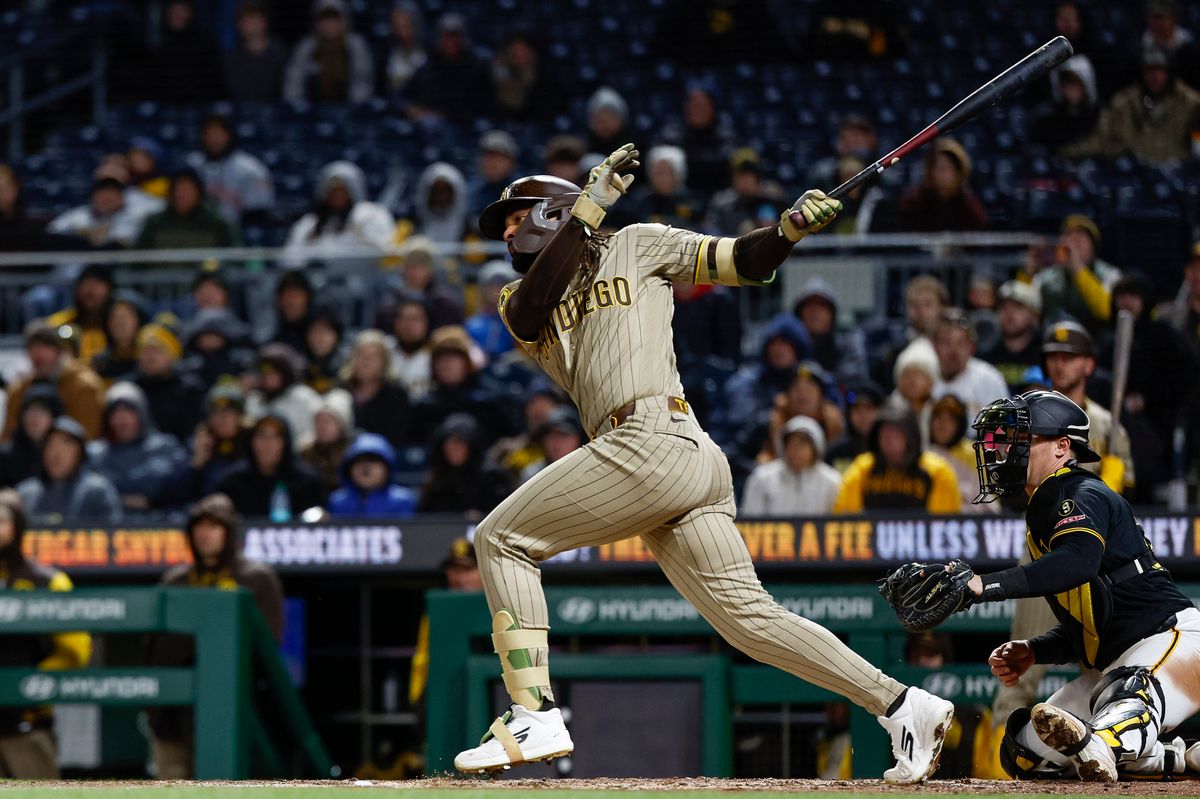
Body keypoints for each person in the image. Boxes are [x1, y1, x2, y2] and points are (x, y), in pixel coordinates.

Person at [457, 146, 954, 781]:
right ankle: (904, 704)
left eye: (513, 217)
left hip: (662, 438)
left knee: (501, 538)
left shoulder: (637, 242)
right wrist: (585, 212)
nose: (505, 233)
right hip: (651, 451)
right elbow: (533, 307)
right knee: (749, 625)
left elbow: (736, 261)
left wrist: (787, 230)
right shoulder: (517, 298)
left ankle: (534, 711)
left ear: (549, 213)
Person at [955, 391, 1200, 781]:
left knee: (1119, 714)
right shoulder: (1045, 510)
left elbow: (1077, 564)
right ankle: (1173, 757)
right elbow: (1092, 616)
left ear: (1061, 447)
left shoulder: (1079, 491)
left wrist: (986, 585)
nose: (1005, 451)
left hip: (1170, 638)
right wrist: (1036, 650)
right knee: (1026, 752)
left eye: (1021, 440)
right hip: (1115, 660)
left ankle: (1126, 742)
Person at [147, 493, 283, 778]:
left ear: (229, 531)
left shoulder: (255, 577)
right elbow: (153, 645)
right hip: (174, 711)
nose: (204, 534)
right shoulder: (176, 581)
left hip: (235, 709)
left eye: (214, 527)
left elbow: (269, 645)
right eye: (199, 527)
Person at [0, 494, 92, 778]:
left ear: (18, 526)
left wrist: (27, 686)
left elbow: (76, 651)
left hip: (29, 723)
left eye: (1, 521)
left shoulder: (48, 581)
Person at [1102, 274, 1197, 503]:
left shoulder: (1162, 335)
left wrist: (1147, 399)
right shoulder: (1108, 341)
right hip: (1119, 424)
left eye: (1133, 296)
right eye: (1121, 296)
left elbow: (1185, 377)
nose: (1126, 302)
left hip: (1161, 422)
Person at [1061, 46, 1200, 165]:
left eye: (1160, 70)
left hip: (1181, 174)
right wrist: (1067, 154)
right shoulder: (1123, 103)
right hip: (1137, 176)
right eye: (1149, 70)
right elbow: (1101, 140)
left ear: (1169, 72)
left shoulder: (1191, 102)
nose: (1155, 76)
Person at [1042, 321, 1134, 495]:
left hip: (1095, 519)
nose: (1060, 365)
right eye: (1054, 357)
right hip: (1040, 518)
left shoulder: (1109, 426)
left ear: (1089, 365)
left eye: (1068, 358)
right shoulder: (1029, 420)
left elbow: (1130, 492)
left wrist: (1112, 487)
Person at [833, 404, 961, 514]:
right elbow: (846, 519)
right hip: (871, 541)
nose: (888, 438)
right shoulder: (863, 468)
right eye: (884, 432)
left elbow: (944, 523)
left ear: (910, 435)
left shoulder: (937, 471)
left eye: (896, 432)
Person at [87, 382, 188, 518]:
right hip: (106, 527)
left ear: (142, 413)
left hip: (160, 525)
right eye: (115, 412)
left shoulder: (167, 448)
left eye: (129, 411)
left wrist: (154, 502)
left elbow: (182, 490)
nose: (122, 419)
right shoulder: (93, 454)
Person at [2, 323, 106, 442]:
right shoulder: (18, 390)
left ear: (60, 351)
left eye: (45, 345)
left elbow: (87, 435)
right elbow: (8, 437)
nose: (38, 352)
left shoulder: (84, 385)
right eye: (32, 347)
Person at [282, 161, 395, 266]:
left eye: (342, 190)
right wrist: (308, 244)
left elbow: (388, 252)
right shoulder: (310, 222)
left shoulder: (372, 214)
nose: (337, 196)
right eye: (332, 191)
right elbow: (289, 260)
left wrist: (362, 237)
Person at [216, 415, 326, 519]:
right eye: (262, 436)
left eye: (275, 437)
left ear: (286, 442)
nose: (268, 444)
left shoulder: (308, 482)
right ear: (251, 441)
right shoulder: (232, 482)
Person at [1027, 214, 1120, 336]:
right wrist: (1027, 273)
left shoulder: (1110, 274)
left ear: (1092, 249)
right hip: (1055, 340)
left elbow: (1106, 311)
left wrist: (1077, 268)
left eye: (1079, 239)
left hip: (1096, 342)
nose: (1072, 244)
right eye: (1068, 237)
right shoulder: (1046, 277)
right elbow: (1025, 314)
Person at [16, 416, 122, 524]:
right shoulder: (26, 494)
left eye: (66, 446)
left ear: (80, 454)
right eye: (50, 446)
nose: (56, 454)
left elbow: (112, 534)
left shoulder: (97, 492)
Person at [159, 383, 248, 507]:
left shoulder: (251, 444)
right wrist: (197, 463)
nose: (223, 418)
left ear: (240, 417)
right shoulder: (196, 444)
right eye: (217, 412)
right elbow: (170, 495)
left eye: (229, 412)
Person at [186, 114, 275, 228]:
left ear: (229, 135)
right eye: (209, 133)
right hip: (199, 232)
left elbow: (258, 212)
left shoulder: (251, 168)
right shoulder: (192, 165)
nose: (214, 138)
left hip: (238, 234)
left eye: (219, 133)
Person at [741, 416, 841, 516]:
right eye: (792, 444)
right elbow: (751, 521)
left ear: (815, 448)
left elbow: (838, 523)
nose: (796, 450)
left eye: (803, 444)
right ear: (783, 446)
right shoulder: (762, 478)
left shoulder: (832, 481)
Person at [283, 0, 374, 105]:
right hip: (311, 113)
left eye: (334, 19)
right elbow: (293, 87)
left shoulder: (356, 46)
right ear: (316, 23)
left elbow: (362, 87)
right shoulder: (306, 47)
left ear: (345, 21)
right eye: (324, 19)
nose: (329, 24)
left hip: (349, 112)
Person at [418, 414, 510, 516]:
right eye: (450, 442)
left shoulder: (492, 476)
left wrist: (482, 516)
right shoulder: (436, 479)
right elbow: (424, 517)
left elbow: (506, 514)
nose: (454, 448)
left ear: (471, 445)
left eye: (460, 442)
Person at [406, 13, 490, 122]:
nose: (450, 42)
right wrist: (411, 108)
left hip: (466, 125)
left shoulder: (477, 67)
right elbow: (404, 95)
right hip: (431, 124)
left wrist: (444, 114)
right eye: (446, 36)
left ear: (463, 38)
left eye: (454, 36)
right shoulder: (429, 66)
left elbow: (482, 104)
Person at [135, 169, 240, 256]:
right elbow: (138, 258)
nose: (183, 194)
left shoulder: (216, 223)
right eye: (179, 189)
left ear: (199, 194)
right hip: (158, 279)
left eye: (188, 190)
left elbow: (232, 257)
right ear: (171, 193)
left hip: (205, 278)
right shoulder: (154, 223)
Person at [931, 309, 1009, 422]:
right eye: (946, 342)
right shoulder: (923, 377)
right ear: (935, 346)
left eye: (960, 343)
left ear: (972, 347)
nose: (953, 350)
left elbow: (1001, 429)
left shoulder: (990, 379)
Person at [142, 0, 226, 103]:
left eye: (180, 10)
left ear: (190, 13)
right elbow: (154, 88)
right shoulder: (160, 51)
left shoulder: (204, 48)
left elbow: (215, 86)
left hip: (199, 108)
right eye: (173, 11)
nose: (176, 15)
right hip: (167, 110)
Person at [898, 138, 988, 232]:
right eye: (942, 168)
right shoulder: (914, 204)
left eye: (951, 168)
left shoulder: (970, 207)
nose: (946, 174)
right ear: (931, 170)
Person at [659, 84, 735, 196]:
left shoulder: (726, 134)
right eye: (694, 106)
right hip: (679, 194)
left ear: (712, 107)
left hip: (720, 193)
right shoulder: (672, 134)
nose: (699, 111)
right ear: (686, 108)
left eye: (703, 106)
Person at [246, 343, 326, 450]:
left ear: (285, 373)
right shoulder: (254, 399)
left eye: (274, 373)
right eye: (264, 373)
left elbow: (314, 435)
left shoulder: (304, 398)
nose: (268, 377)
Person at [341, 329, 410, 451]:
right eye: (361, 355)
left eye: (373, 356)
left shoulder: (396, 394)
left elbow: (398, 436)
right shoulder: (341, 390)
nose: (366, 361)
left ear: (385, 362)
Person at [792, 277, 868, 384]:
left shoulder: (847, 343)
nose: (815, 312)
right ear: (800, 314)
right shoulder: (789, 344)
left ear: (832, 314)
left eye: (822, 305)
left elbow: (854, 381)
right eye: (809, 306)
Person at [47, 176, 159, 249]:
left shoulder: (134, 217)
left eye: (112, 195)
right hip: (74, 275)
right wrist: (84, 233)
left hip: (118, 274)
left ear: (121, 199)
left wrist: (106, 235)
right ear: (92, 197)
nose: (106, 199)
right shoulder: (78, 215)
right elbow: (52, 231)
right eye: (102, 195)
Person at [928, 394, 993, 514]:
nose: (942, 425)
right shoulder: (924, 453)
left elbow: (987, 498)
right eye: (938, 418)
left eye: (949, 419)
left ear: (960, 424)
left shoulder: (974, 452)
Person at [327, 433, 416, 518]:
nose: (365, 467)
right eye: (358, 461)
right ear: (349, 469)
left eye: (373, 460)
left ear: (387, 468)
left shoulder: (402, 500)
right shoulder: (338, 501)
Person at [703, 148, 787, 237]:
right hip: (731, 246)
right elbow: (709, 230)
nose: (746, 181)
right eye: (741, 175)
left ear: (757, 176)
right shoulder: (721, 201)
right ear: (733, 177)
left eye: (750, 175)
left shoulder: (771, 196)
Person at [1027, 55, 1100, 155]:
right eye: (1066, 84)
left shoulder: (1099, 117)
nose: (1071, 89)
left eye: (1076, 83)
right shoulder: (1048, 119)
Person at [980, 281, 1044, 391]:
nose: (1009, 313)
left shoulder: (1047, 357)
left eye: (1018, 307)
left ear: (1035, 315)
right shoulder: (985, 356)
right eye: (1003, 307)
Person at [620, 145, 703, 230]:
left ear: (678, 174)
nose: (661, 178)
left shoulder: (691, 201)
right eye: (658, 172)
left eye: (666, 172)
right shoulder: (639, 199)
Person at [46, 263, 115, 363]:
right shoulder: (60, 323)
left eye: (97, 284)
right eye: (86, 284)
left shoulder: (117, 323)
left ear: (108, 289)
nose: (91, 291)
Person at [222, 0, 287, 102]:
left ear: (265, 22)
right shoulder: (231, 58)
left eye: (254, 19)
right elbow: (235, 92)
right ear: (238, 25)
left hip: (276, 111)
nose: (250, 25)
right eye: (245, 20)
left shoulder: (281, 54)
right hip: (242, 111)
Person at [0, 386, 59, 489]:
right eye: (30, 411)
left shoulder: (62, 455)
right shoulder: (5, 455)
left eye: (42, 411)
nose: (35, 418)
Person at [490, 30, 555, 122]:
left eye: (523, 49)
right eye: (515, 50)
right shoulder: (498, 69)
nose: (520, 54)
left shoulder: (546, 73)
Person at [298, 391, 354, 492]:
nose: (321, 426)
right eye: (318, 421)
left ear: (341, 425)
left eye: (327, 421)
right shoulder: (305, 452)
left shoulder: (353, 453)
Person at [465, 261, 519, 363]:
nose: (496, 290)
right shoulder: (472, 325)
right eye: (491, 286)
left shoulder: (519, 323)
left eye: (502, 285)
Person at [826, 379, 884, 473]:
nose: (863, 416)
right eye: (857, 410)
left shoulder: (887, 450)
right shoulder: (837, 452)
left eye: (868, 409)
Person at [91, 291, 148, 384]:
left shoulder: (150, 360)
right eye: (115, 318)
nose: (121, 323)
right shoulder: (100, 364)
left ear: (139, 321)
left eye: (126, 317)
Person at [517, 407, 584, 484]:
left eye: (562, 435)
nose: (556, 442)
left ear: (577, 438)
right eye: (550, 436)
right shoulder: (532, 474)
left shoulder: (590, 469)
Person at [388, 295, 433, 399]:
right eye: (403, 319)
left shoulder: (437, 353)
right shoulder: (383, 350)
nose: (408, 325)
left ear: (426, 322)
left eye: (415, 319)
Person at [468, 131, 519, 222]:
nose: (492, 163)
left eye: (498, 157)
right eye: (488, 157)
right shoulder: (472, 193)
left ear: (511, 162)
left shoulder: (522, 191)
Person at [383, 1, 426, 96]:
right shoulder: (386, 51)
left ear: (415, 25)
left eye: (404, 26)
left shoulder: (428, 52)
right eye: (396, 26)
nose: (399, 31)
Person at [303, 307, 346, 395]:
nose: (320, 338)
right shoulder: (299, 366)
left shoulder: (348, 367)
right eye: (315, 331)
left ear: (337, 336)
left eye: (325, 331)